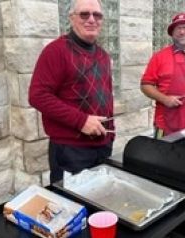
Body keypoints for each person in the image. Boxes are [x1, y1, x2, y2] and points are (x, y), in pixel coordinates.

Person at [29, 0, 114, 184]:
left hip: (102, 146)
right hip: (71, 151)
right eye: (84, 14)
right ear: (72, 18)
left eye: (97, 15)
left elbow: (106, 96)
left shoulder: (103, 55)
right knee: (72, 206)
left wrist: (110, 135)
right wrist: (81, 121)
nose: (92, 19)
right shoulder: (55, 51)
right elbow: (37, 96)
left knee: (98, 202)